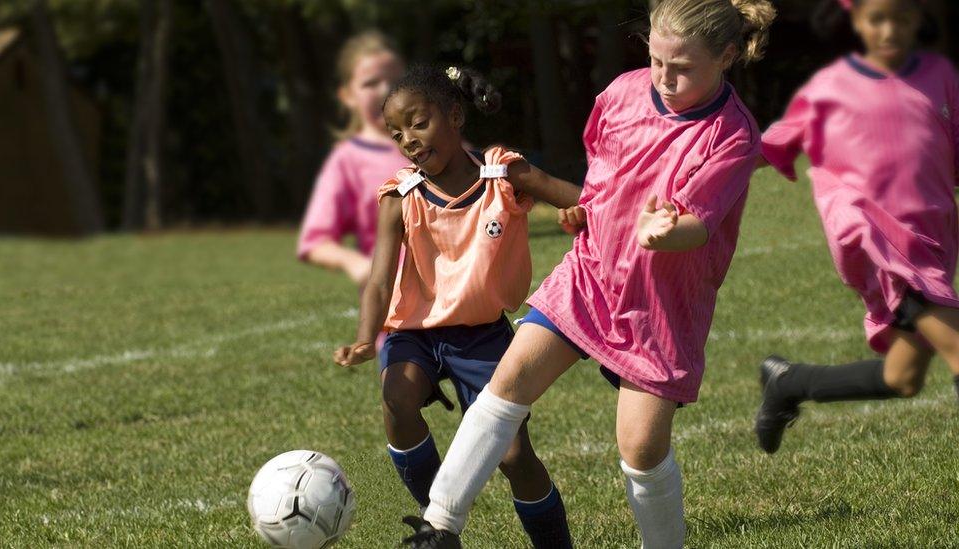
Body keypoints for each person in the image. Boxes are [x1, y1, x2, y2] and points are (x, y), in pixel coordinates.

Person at [401, 1, 776, 547]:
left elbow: (698, 224)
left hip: (659, 306)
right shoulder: (621, 94)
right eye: (656, 61)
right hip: (590, 275)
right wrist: (587, 209)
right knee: (507, 386)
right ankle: (439, 527)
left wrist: (665, 232)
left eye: (684, 68)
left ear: (725, 56)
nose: (665, 79)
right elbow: (602, 175)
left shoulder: (732, 136)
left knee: (641, 450)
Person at [333, 63, 584, 548]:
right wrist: (367, 338)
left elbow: (575, 199)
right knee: (397, 400)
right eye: (396, 132)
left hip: (484, 334)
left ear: (454, 116)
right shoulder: (400, 194)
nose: (407, 138)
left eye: (418, 122)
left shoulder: (503, 173)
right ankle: (438, 528)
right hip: (417, 333)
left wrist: (575, 213)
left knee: (514, 458)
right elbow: (380, 278)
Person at [754, 0, 959, 454]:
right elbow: (765, 147)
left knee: (902, 377)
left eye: (902, 17)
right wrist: (698, 180)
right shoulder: (831, 89)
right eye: (877, 18)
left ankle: (789, 383)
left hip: (931, 245)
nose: (890, 29)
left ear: (919, 17)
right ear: (858, 21)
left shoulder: (940, 77)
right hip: (878, 245)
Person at [297, 31, 407, 287]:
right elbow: (315, 242)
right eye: (371, 83)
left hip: (459, 307)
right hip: (395, 316)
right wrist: (355, 263)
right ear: (347, 96)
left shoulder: (441, 145)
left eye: (396, 81)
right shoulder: (347, 161)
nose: (386, 91)